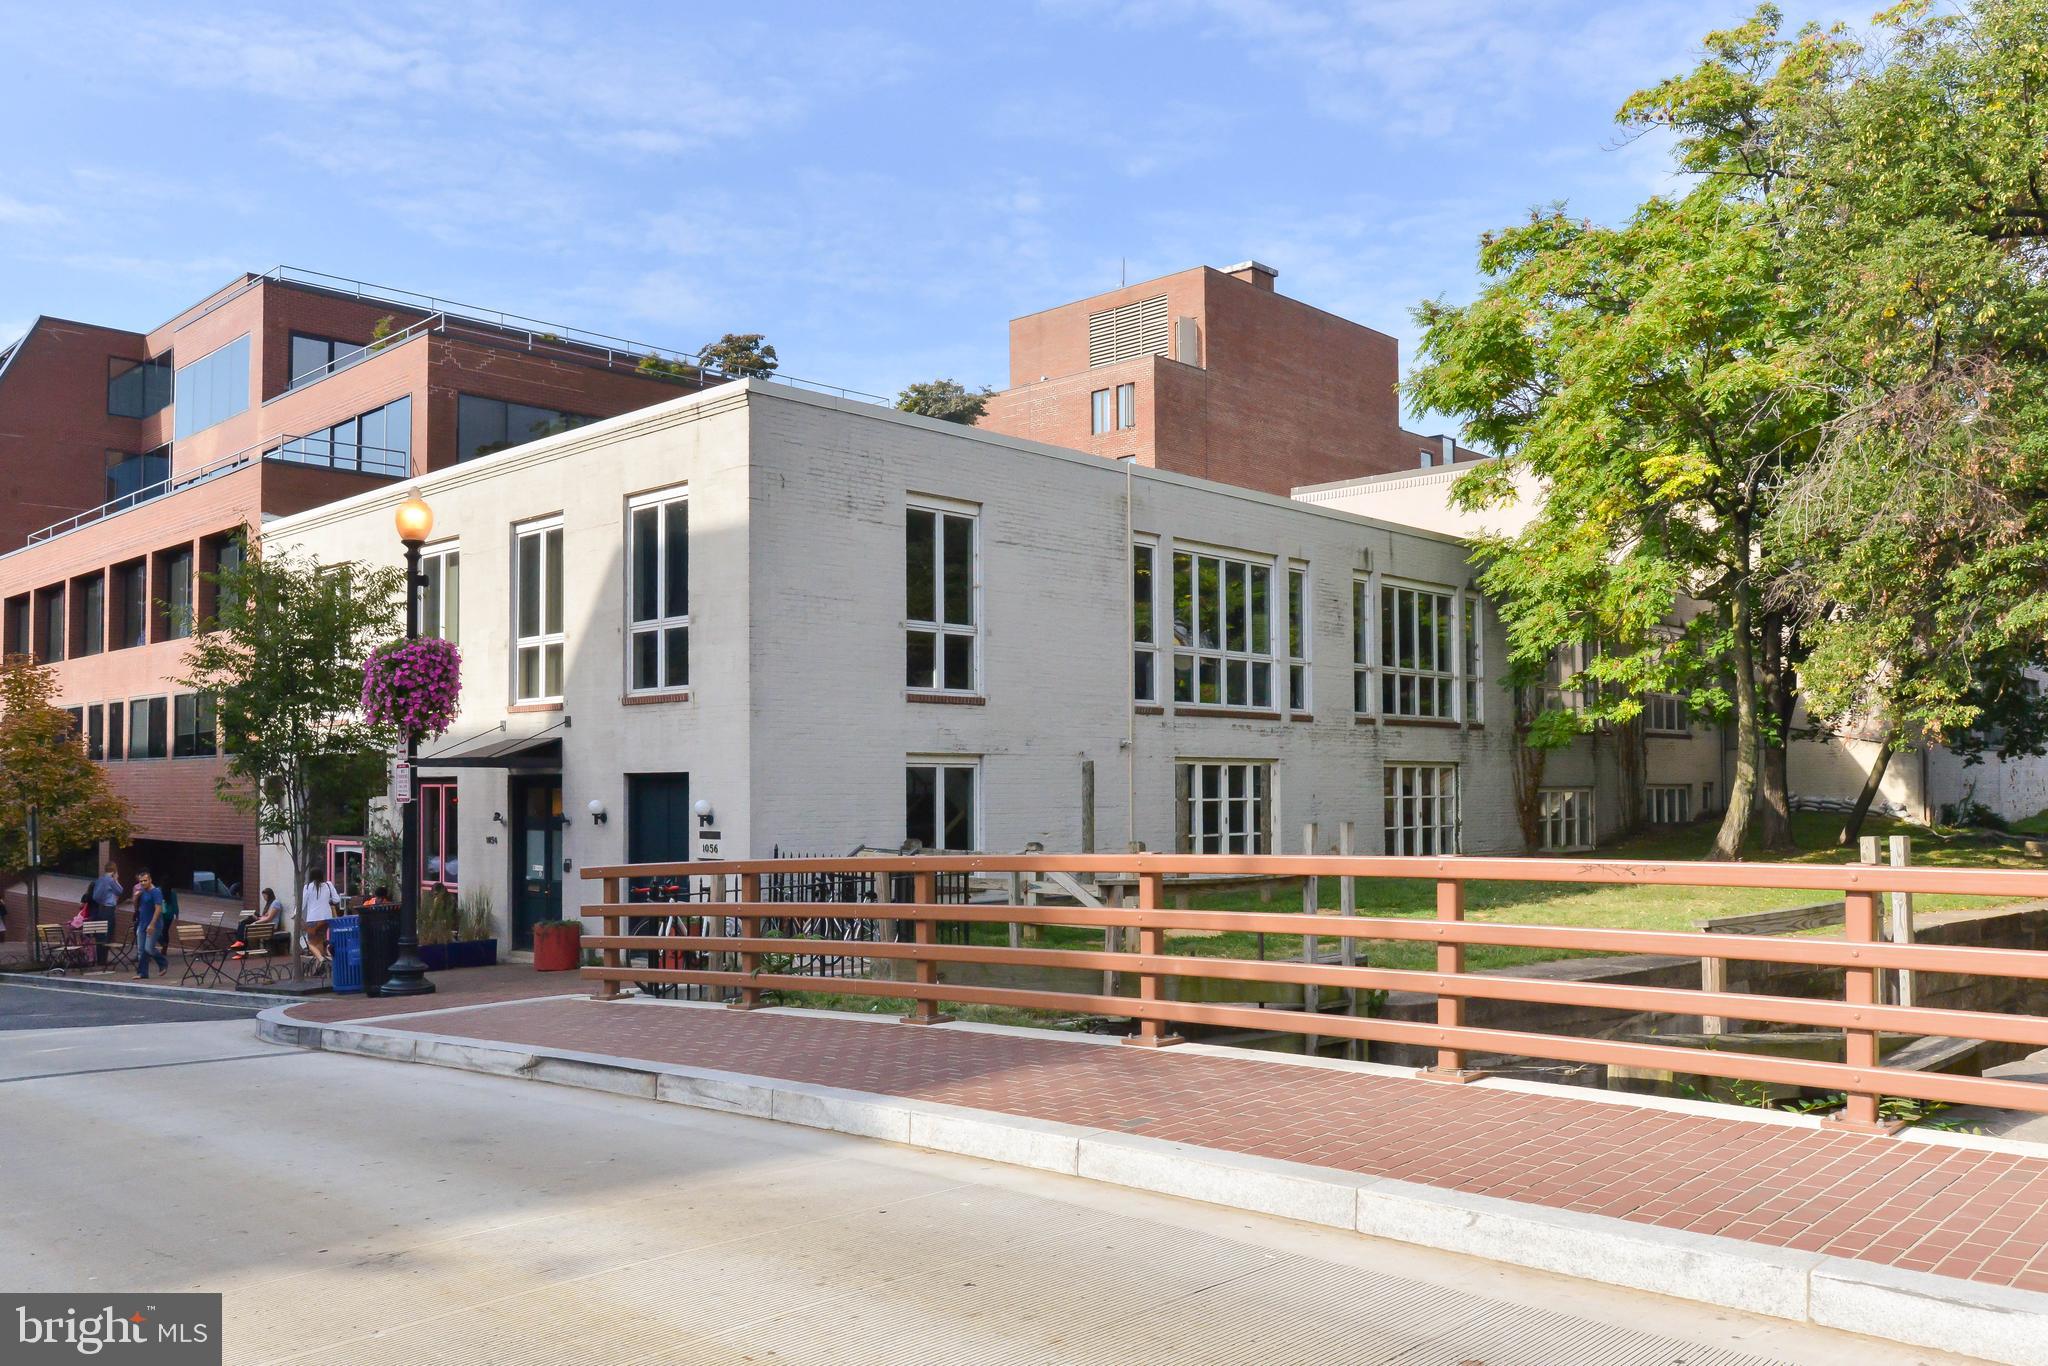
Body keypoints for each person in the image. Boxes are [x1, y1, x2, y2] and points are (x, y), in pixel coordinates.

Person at [132, 871, 168, 979]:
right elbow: (136, 908)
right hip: (142, 924)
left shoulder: (156, 892)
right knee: (141, 950)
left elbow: (158, 908)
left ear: (150, 880)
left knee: (149, 948)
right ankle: (142, 973)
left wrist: (152, 925)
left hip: (154, 925)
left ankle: (163, 963)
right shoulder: (142, 891)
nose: (143, 883)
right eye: (141, 881)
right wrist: (135, 898)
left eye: (145, 880)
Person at [301, 872, 340, 970]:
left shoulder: (307, 887)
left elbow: (302, 903)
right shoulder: (328, 885)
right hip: (326, 919)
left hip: (312, 918)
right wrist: (327, 899)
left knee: (310, 943)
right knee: (319, 941)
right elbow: (336, 900)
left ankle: (321, 959)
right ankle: (320, 968)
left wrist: (295, 914)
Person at [87, 864, 124, 966]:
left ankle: (100, 959)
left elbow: (95, 896)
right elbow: (120, 891)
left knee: (100, 934)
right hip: (109, 909)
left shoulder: (99, 880)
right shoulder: (111, 881)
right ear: (114, 871)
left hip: (100, 909)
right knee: (107, 934)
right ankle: (104, 960)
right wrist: (116, 879)